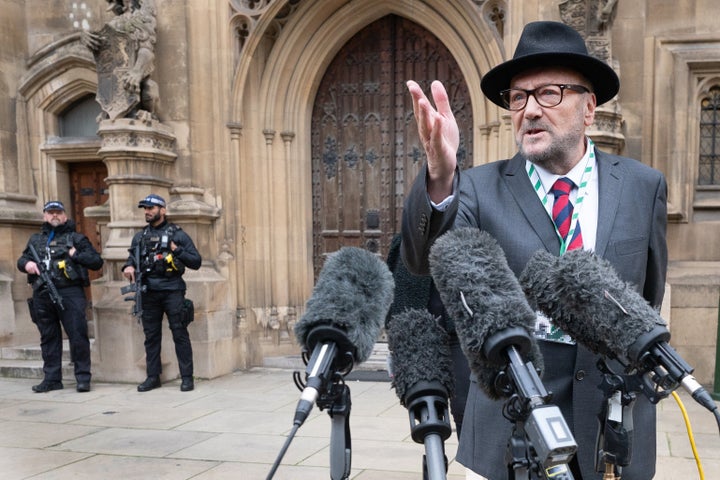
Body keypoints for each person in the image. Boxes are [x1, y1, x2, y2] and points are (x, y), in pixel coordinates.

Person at [401, 21, 667, 480]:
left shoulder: (643, 186)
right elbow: (424, 260)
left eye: (549, 93)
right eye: (518, 97)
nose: (529, 110)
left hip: (612, 426)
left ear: (589, 108)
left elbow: (649, 291)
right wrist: (441, 175)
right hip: (509, 425)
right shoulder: (476, 189)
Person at [385, 233, 471, 438]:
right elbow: (394, 292)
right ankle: (436, 467)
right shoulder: (406, 242)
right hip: (419, 335)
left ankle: (471, 464)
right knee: (427, 410)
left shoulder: (467, 238)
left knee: (465, 407)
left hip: (460, 334)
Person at [17, 200, 104, 393]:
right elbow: (22, 259)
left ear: (65, 215)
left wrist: (75, 255)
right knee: (48, 337)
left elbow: (96, 262)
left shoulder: (76, 239)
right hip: (42, 292)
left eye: (58, 212)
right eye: (50, 213)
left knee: (78, 335)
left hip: (69, 292)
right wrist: (27, 265)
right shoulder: (35, 240)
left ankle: (83, 378)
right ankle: (52, 378)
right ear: (44, 216)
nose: (54, 216)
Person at [122, 194, 201, 392]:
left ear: (163, 210)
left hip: (172, 290)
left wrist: (175, 249)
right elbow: (132, 257)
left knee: (180, 333)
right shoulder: (140, 236)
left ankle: (187, 377)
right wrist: (128, 267)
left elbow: (196, 261)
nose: (147, 212)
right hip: (148, 292)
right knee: (151, 336)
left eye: (151, 208)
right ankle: (152, 377)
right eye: (145, 209)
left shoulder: (177, 234)